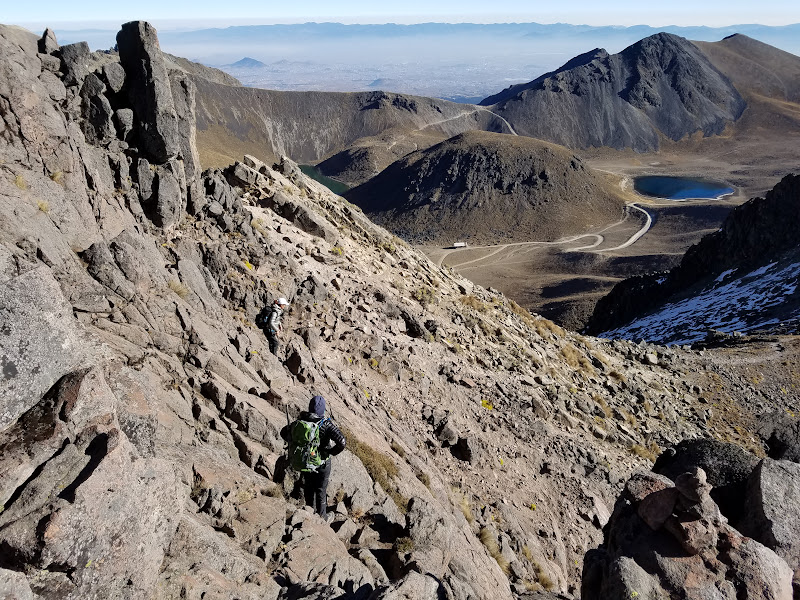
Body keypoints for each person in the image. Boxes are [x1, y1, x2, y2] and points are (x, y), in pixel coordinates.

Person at [280, 395, 346, 520]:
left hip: (306, 461)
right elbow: (342, 442)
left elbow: (283, 432)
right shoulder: (325, 424)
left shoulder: (301, 421)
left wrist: (296, 443)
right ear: (322, 410)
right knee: (321, 489)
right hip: (322, 462)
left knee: (309, 487)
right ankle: (322, 517)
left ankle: (310, 512)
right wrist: (331, 452)